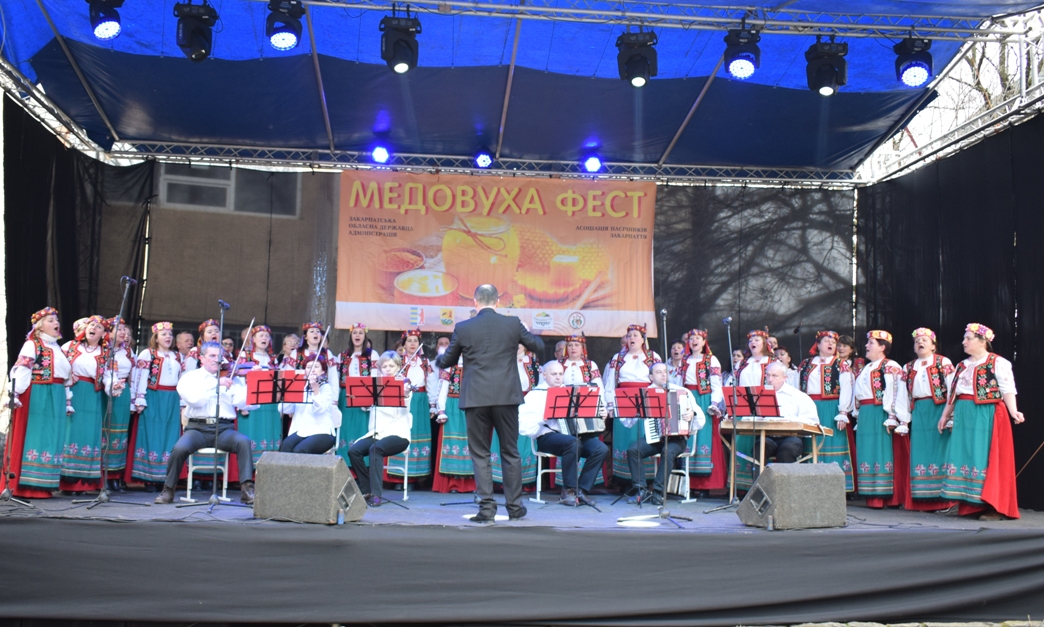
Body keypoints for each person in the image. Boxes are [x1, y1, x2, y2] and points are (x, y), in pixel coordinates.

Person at [435, 284, 544, 524]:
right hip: (506, 397)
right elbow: (538, 346)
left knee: (480, 453)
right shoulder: (512, 323)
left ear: (475, 302)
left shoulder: (463, 327)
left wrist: (439, 357)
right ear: (497, 302)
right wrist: (523, 334)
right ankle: (515, 507)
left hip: (476, 398)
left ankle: (486, 509)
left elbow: (448, 361)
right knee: (510, 451)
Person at [938, 323, 1023, 520]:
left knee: (985, 456)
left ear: (982, 341)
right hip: (964, 414)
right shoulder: (961, 365)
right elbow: (953, 394)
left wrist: (1014, 411)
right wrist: (945, 415)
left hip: (986, 413)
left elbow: (1007, 389)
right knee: (966, 455)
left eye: (968, 338)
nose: (964, 342)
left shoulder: (997, 362)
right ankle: (970, 502)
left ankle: (994, 505)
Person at [154, 342, 255, 505]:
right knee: (179, 449)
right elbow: (196, 400)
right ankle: (168, 489)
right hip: (198, 429)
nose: (217, 359)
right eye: (212, 356)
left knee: (243, 442)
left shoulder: (231, 377)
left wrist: (249, 384)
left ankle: (247, 489)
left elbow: (244, 404)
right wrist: (216, 383)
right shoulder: (191, 377)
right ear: (201, 358)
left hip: (223, 429)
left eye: (219, 356)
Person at [1, 307, 71, 498]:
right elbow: (22, 369)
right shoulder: (32, 344)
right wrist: (15, 393)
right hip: (39, 395)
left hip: (56, 395)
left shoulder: (57, 347)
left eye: (56, 320)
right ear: (39, 327)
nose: (56, 323)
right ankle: (26, 486)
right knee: (37, 435)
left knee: (51, 437)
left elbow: (65, 376)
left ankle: (43, 484)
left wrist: (67, 399)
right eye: (50, 320)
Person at [519, 361, 608, 506]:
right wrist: (544, 417)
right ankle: (568, 490)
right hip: (547, 437)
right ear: (544, 375)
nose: (558, 377)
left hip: (574, 435)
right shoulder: (535, 395)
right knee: (573, 443)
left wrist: (600, 413)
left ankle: (581, 490)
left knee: (600, 449)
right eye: (554, 374)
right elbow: (523, 426)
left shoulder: (572, 392)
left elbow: (587, 413)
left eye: (561, 374)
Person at [838, 330, 909, 508]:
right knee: (867, 452)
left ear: (882, 347)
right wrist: (856, 412)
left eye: (871, 343)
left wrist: (893, 415)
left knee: (881, 451)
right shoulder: (866, 368)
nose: (866, 346)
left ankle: (885, 496)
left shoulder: (890, 366)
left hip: (880, 413)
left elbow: (896, 391)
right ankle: (871, 494)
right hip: (866, 413)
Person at [622, 362, 705, 505]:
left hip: (677, 439)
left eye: (665, 371)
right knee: (633, 450)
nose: (663, 375)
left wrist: (692, 414)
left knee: (667, 450)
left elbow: (701, 420)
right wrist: (635, 411)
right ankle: (641, 490)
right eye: (659, 372)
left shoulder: (682, 391)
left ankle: (658, 492)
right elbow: (627, 422)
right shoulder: (645, 394)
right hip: (654, 438)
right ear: (651, 377)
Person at [348, 352, 413, 507]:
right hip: (378, 432)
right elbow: (366, 407)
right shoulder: (375, 386)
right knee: (354, 451)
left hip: (398, 433)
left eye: (391, 366)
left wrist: (405, 394)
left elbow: (405, 409)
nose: (388, 369)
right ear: (380, 369)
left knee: (375, 449)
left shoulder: (403, 384)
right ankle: (366, 489)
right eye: (384, 366)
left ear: (398, 367)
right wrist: (364, 401)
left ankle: (376, 494)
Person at [903, 328, 957, 511]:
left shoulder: (943, 362)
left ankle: (943, 500)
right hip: (919, 410)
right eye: (917, 340)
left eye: (924, 340)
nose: (920, 342)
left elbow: (952, 389)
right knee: (920, 451)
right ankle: (923, 499)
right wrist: (903, 419)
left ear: (933, 346)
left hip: (939, 409)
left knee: (940, 450)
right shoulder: (908, 367)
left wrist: (950, 415)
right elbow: (903, 395)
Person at [796, 330, 855, 492]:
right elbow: (796, 388)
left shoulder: (840, 364)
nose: (831, 344)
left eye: (833, 342)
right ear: (818, 344)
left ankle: (836, 487)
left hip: (831, 408)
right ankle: (810, 485)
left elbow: (847, 388)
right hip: (810, 408)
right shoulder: (805, 364)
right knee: (811, 443)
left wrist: (843, 412)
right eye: (827, 341)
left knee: (832, 441)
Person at [603, 323, 662, 484]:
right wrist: (610, 405)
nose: (631, 338)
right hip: (623, 400)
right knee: (625, 438)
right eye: (629, 336)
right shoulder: (618, 358)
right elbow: (610, 383)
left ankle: (645, 479)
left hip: (646, 400)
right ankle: (624, 480)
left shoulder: (653, 357)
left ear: (643, 339)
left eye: (635, 335)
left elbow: (659, 380)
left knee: (644, 437)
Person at [130, 322, 183, 488]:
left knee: (170, 435)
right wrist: (139, 398)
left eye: (170, 334)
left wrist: (182, 401)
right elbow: (140, 376)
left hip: (172, 398)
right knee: (151, 434)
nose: (168, 337)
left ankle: (165, 478)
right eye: (163, 334)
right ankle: (149, 477)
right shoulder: (148, 354)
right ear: (156, 337)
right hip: (153, 397)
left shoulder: (177, 356)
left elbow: (182, 379)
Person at [60, 315, 109, 492]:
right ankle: (65, 481)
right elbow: (58, 365)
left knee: (88, 434)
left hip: (92, 395)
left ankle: (82, 483)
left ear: (103, 334)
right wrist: (68, 375)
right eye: (91, 324)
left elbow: (109, 376)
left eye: (99, 327)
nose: (93, 328)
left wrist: (114, 385)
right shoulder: (69, 346)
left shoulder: (106, 353)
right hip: (71, 393)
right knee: (69, 432)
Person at [681, 329, 725, 493]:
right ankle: (687, 483)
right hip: (687, 398)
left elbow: (716, 384)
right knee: (687, 437)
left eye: (698, 338)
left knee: (703, 437)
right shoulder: (684, 360)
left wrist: (714, 403)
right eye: (691, 338)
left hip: (703, 399)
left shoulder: (711, 360)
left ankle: (704, 485)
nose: (694, 341)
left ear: (704, 341)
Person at [491, 344, 541, 488]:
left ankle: (524, 482)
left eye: (520, 342)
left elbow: (540, 386)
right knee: (505, 438)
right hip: (506, 403)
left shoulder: (534, 364)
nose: (517, 345)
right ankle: (501, 482)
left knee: (524, 441)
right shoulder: (502, 360)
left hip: (528, 404)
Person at [731, 329, 775, 489]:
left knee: (760, 445)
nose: (753, 343)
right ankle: (742, 486)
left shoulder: (771, 362)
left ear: (764, 343)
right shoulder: (743, 363)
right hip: (744, 407)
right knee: (742, 444)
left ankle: (761, 484)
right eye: (750, 341)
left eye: (757, 340)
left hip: (764, 407)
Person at [389, 329, 433, 485]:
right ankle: (398, 477)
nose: (412, 344)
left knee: (417, 436)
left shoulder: (425, 362)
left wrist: (433, 405)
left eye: (415, 341)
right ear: (404, 344)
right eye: (409, 341)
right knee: (401, 434)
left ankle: (415, 476)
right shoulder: (398, 361)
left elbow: (431, 383)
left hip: (420, 401)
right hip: (403, 400)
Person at [237, 326, 283, 464]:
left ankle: (269, 465)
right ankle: (249, 468)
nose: (264, 338)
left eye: (267, 336)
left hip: (270, 402)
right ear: (253, 339)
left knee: (269, 432)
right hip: (251, 400)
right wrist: (242, 403)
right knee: (251, 432)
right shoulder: (245, 356)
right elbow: (239, 379)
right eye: (261, 335)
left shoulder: (273, 359)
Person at [760, 360, 820, 463]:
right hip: (767, 436)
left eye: (775, 376)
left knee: (787, 450)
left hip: (791, 437)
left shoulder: (798, 396)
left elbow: (812, 421)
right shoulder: (759, 395)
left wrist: (789, 421)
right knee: (759, 448)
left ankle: (785, 475)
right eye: (768, 375)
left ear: (785, 377)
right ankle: (761, 474)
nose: (770, 379)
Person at [334, 323, 376, 467]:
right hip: (345, 397)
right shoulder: (342, 356)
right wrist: (335, 400)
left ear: (365, 336)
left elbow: (375, 377)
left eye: (360, 333)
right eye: (355, 333)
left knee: (362, 429)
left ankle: (362, 465)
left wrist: (370, 398)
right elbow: (336, 379)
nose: (357, 335)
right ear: (350, 336)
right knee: (345, 429)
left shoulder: (372, 355)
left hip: (364, 396)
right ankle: (344, 465)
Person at [279, 360, 340, 454]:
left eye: (316, 366)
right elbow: (285, 409)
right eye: (309, 367)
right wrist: (289, 393)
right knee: (285, 446)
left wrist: (316, 390)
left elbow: (319, 410)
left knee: (299, 451)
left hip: (323, 432)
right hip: (302, 431)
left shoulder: (326, 388)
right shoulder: (301, 388)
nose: (312, 369)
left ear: (323, 371)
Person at [103, 317, 135, 490]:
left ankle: (115, 475)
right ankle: (102, 475)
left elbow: (134, 374)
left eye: (124, 329)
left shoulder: (127, 351)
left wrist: (135, 397)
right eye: (119, 329)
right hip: (105, 392)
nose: (123, 333)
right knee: (106, 431)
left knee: (120, 433)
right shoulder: (103, 349)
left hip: (123, 392)